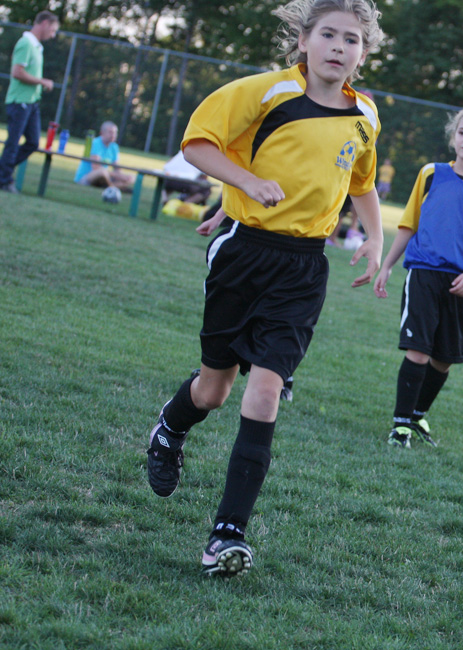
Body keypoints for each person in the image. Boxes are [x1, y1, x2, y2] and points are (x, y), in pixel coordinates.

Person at [144, 0, 385, 578]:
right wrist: (247, 184)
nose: (338, 47)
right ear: (303, 41)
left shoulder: (366, 116)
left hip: (304, 266)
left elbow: (362, 182)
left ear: (363, 53)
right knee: (214, 391)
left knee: (267, 390)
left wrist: (375, 240)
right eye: (327, 34)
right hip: (243, 253)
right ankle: (169, 429)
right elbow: (198, 144)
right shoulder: (266, 91)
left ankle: (226, 535)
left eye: (352, 40)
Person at [374, 105, 463, 449]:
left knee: (444, 358)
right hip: (423, 273)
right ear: (453, 137)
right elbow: (409, 223)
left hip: (461, 282)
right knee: (418, 350)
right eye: (462, 132)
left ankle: (418, 413)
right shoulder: (432, 174)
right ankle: (400, 426)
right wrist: (388, 264)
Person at [0, 10, 59, 194]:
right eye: (53, 30)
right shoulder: (26, 43)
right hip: (20, 101)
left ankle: (2, 171)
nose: (53, 35)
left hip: (32, 102)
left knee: (33, 142)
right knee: (13, 142)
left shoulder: (36, 47)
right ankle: (4, 180)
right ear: (45, 23)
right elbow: (17, 72)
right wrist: (42, 82)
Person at [73, 121, 135, 192]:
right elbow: (96, 167)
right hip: (87, 177)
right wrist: (116, 175)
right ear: (102, 133)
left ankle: (112, 186)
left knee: (132, 177)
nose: (113, 135)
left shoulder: (114, 147)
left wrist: (124, 177)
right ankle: (114, 188)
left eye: (115, 132)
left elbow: (117, 168)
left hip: (105, 177)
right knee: (102, 172)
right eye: (110, 132)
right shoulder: (96, 143)